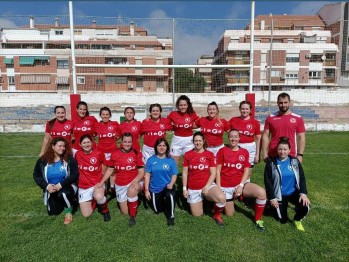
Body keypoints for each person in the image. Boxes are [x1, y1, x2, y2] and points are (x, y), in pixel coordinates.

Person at [216, 129, 267, 231]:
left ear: (239, 138)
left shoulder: (244, 152)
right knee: (230, 214)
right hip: (225, 186)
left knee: (261, 193)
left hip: (239, 185)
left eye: (235, 137)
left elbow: (246, 171)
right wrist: (219, 188)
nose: (233, 139)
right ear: (228, 138)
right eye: (231, 136)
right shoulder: (222, 151)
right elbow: (218, 171)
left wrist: (241, 185)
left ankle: (258, 219)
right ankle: (216, 214)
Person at [97, 133, 144, 226]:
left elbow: (141, 172)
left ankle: (133, 216)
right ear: (121, 142)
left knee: (132, 190)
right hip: (120, 184)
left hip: (134, 181)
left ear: (132, 142)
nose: (127, 144)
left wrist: (135, 181)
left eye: (129, 142)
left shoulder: (136, 153)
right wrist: (102, 182)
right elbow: (110, 170)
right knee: (125, 212)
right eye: (125, 141)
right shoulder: (115, 153)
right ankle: (131, 200)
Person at [264, 137, 310, 232]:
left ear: (289, 150)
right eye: (280, 149)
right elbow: (267, 181)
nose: (282, 152)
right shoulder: (271, 162)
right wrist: (272, 197)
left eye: (285, 149)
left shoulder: (294, 161)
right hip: (279, 194)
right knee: (282, 220)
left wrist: (303, 193)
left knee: (306, 207)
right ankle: (270, 204)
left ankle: (297, 220)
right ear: (277, 150)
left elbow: (302, 178)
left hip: (293, 192)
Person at [182, 132, 226, 226]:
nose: (198, 143)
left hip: (207, 185)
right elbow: (185, 173)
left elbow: (213, 173)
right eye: (196, 141)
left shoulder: (209, 154)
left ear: (203, 141)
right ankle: (204, 201)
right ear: (193, 142)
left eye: (200, 141)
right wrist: (184, 189)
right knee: (197, 215)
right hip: (193, 187)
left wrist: (206, 187)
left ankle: (217, 215)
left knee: (222, 198)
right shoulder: (187, 154)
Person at [33, 137, 78, 224]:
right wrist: (47, 186)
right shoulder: (42, 160)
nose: (62, 148)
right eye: (59, 146)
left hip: (66, 186)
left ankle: (68, 211)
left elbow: (74, 175)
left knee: (63, 194)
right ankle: (65, 201)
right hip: (51, 189)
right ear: (53, 146)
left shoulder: (69, 159)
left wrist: (60, 185)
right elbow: (36, 175)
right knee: (53, 212)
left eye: (64, 146)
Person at [75, 135, 111, 222]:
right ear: (80, 144)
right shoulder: (77, 154)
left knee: (99, 196)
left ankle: (105, 210)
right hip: (84, 186)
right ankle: (95, 200)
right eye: (84, 143)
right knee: (86, 214)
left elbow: (105, 166)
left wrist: (103, 182)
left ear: (92, 143)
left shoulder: (99, 153)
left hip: (96, 184)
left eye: (88, 142)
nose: (86, 145)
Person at [262, 92, 306, 163]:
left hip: (291, 155)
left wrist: (300, 154)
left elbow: (301, 137)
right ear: (277, 103)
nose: (283, 105)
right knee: (272, 174)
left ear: (289, 103)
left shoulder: (298, 118)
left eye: (285, 102)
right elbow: (265, 136)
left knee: (290, 174)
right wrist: (264, 153)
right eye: (281, 103)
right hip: (273, 154)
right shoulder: (270, 118)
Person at [144, 138, 178, 226]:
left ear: (167, 147)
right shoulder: (151, 160)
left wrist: (171, 184)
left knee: (170, 195)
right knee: (157, 210)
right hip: (155, 188)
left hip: (167, 186)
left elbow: (174, 175)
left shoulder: (171, 160)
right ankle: (165, 201)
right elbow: (147, 175)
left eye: (164, 145)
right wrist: (146, 190)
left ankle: (171, 215)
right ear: (156, 147)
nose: (162, 147)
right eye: (159, 145)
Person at [228, 101, 261, 181]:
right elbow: (227, 131)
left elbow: (258, 138)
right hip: (237, 147)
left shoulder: (255, 122)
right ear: (240, 109)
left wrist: (257, 154)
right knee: (236, 169)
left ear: (250, 110)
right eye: (242, 109)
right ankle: (234, 187)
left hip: (250, 148)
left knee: (248, 172)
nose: (244, 111)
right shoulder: (233, 120)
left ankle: (245, 188)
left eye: (247, 109)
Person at [94, 107, 119, 195]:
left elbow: (119, 133)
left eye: (107, 114)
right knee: (103, 171)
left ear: (110, 115)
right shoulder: (96, 125)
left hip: (113, 151)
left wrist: (117, 136)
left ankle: (112, 187)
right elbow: (92, 134)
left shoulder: (115, 124)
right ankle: (104, 187)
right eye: (103, 114)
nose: (105, 116)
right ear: (100, 115)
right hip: (101, 151)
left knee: (113, 171)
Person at [167, 95, 199, 165]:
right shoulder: (173, 114)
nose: (183, 107)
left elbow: (199, 123)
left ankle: (188, 176)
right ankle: (174, 176)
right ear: (178, 106)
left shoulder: (192, 114)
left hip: (189, 141)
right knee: (173, 164)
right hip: (177, 141)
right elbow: (166, 123)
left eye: (185, 105)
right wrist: (173, 127)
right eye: (181, 105)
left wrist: (189, 126)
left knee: (189, 163)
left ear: (188, 105)